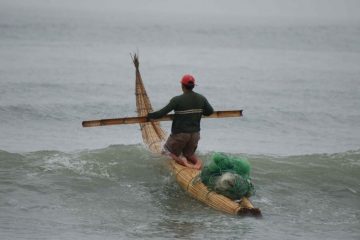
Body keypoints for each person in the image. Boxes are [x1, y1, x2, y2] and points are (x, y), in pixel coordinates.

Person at [147, 74, 214, 170]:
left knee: (166, 152)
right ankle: (197, 163)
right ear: (193, 86)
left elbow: (161, 113)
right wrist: (197, 111)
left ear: (182, 86)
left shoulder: (177, 100)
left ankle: (183, 162)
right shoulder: (201, 98)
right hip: (195, 135)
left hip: (180, 135)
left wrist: (149, 115)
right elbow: (210, 112)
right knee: (189, 154)